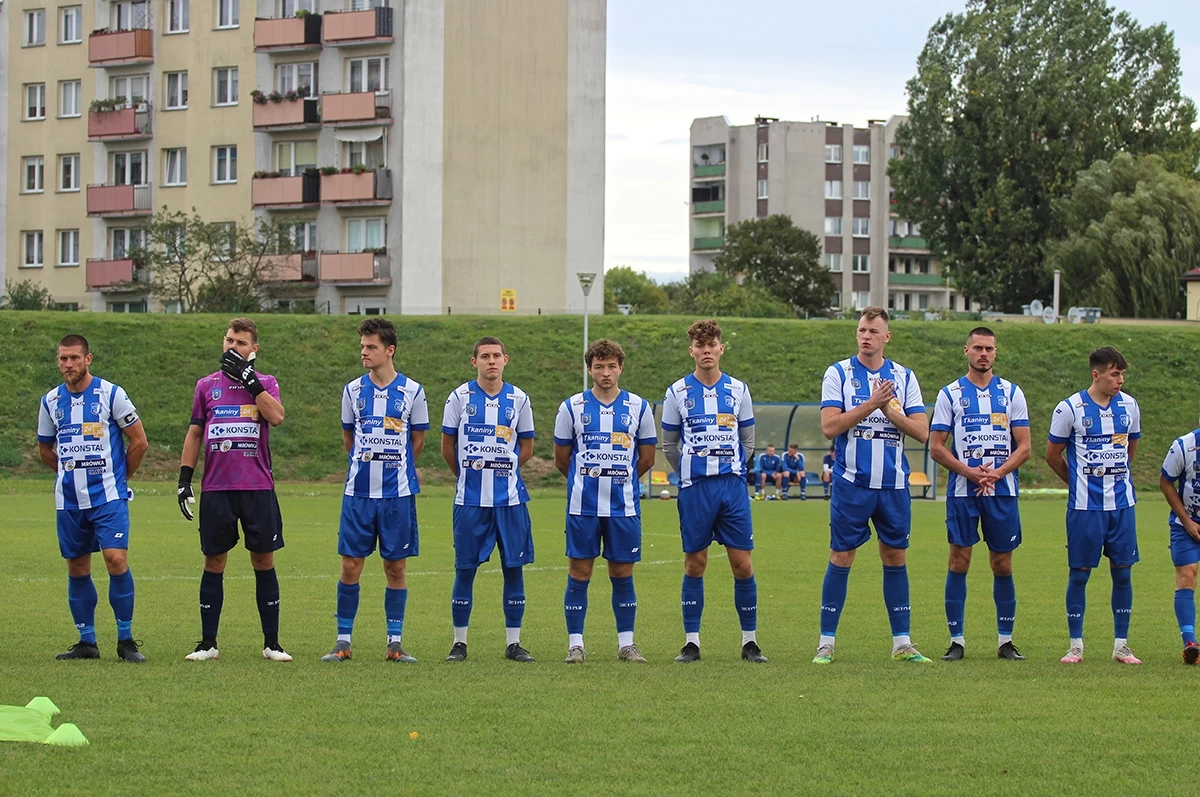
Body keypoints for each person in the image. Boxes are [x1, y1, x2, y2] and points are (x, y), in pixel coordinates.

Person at [813, 307, 931, 664]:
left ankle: (902, 643)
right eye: (862, 330)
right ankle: (826, 643)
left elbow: (922, 432)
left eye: (873, 331)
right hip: (852, 483)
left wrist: (891, 411)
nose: (866, 336)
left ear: (886, 337)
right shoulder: (838, 373)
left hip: (893, 485)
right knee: (841, 556)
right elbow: (830, 427)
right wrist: (872, 404)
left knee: (895, 556)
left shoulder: (904, 377)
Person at [177, 318, 291, 663]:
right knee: (214, 561)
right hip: (217, 487)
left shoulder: (266, 383)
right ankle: (208, 643)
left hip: (257, 487)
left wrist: (249, 380)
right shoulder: (206, 385)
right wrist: (184, 480)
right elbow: (195, 434)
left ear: (254, 348)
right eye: (229, 340)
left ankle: (272, 643)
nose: (233, 347)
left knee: (263, 560)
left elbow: (277, 417)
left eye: (241, 343)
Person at [321, 319, 429, 664]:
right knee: (350, 566)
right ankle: (343, 641)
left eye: (371, 347)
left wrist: (395, 468)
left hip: (398, 496)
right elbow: (348, 438)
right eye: (362, 347)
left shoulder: (413, 391)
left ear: (389, 350)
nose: (364, 353)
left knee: (395, 568)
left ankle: (395, 643)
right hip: (359, 494)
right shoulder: (352, 390)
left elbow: (418, 441)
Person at [36, 334, 149, 662]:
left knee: (116, 560)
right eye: (63, 358)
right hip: (70, 501)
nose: (68, 364)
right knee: (77, 565)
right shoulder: (50, 401)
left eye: (74, 358)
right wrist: (67, 474)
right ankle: (87, 642)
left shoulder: (111, 394)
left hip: (108, 498)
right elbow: (45, 449)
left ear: (88, 359)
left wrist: (119, 478)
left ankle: (126, 640)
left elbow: (139, 442)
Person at [662, 319, 766, 663]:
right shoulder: (677, 391)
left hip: (731, 488)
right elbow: (670, 445)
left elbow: (747, 442)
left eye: (711, 344)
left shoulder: (738, 389)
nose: (706, 350)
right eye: (700, 345)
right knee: (695, 563)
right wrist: (691, 471)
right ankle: (692, 643)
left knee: (743, 564)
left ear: (721, 348)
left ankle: (750, 642)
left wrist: (729, 468)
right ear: (691, 350)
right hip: (695, 489)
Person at [928, 327, 1031, 661]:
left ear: (995, 353)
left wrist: (997, 473)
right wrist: (969, 472)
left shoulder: (1011, 393)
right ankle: (956, 641)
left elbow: (1025, 446)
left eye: (989, 349)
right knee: (959, 560)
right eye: (978, 348)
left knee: (1002, 563)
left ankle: (1006, 641)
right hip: (963, 491)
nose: (983, 354)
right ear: (966, 351)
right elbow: (936, 447)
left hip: (1002, 491)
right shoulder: (950, 394)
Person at [552, 339, 658, 663]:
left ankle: (626, 645)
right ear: (590, 370)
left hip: (623, 507)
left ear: (621, 368)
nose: (606, 372)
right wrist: (586, 480)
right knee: (579, 572)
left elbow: (647, 458)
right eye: (599, 366)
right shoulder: (571, 407)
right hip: (582, 506)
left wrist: (621, 479)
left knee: (622, 573)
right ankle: (575, 645)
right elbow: (561, 459)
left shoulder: (639, 407)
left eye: (612, 366)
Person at [441, 336, 536, 662]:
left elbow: (527, 446)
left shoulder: (519, 399)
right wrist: (467, 476)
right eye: (485, 356)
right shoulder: (459, 397)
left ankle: (514, 643)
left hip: (510, 502)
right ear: (475, 362)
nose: (491, 361)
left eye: (496, 355)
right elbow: (447, 447)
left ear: (505, 360)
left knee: (514, 569)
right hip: (470, 501)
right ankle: (459, 643)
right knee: (465, 570)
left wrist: (505, 470)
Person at [1046, 347, 1142, 665]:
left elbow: (1131, 449)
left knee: (1123, 573)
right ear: (1096, 374)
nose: (1120, 380)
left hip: (1122, 506)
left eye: (1122, 374)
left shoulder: (1130, 406)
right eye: (1115, 374)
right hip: (1085, 509)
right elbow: (1052, 455)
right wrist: (1077, 483)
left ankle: (1121, 645)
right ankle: (1076, 645)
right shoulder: (1070, 408)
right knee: (1080, 574)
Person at [1158, 426, 1200, 665]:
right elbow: (1165, 482)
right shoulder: (1184, 445)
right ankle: (1190, 643)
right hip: (1185, 524)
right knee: (1187, 575)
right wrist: (1187, 522)